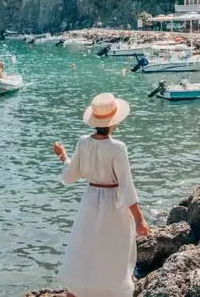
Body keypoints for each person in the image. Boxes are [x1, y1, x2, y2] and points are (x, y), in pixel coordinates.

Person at [53, 93, 148, 297]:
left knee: (85, 248)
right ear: (114, 122)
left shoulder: (83, 142)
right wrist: (139, 219)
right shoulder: (118, 148)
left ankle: (78, 291)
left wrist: (62, 155)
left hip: (90, 200)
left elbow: (70, 176)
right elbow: (127, 186)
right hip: (113, 204)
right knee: (113, 249)